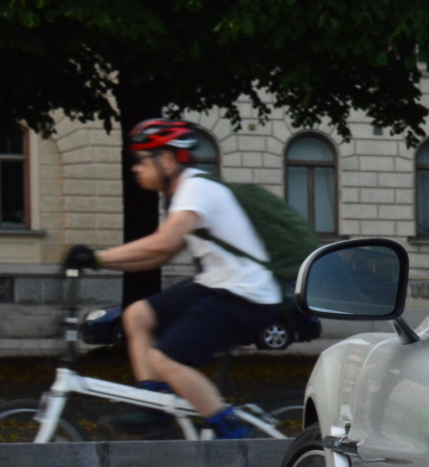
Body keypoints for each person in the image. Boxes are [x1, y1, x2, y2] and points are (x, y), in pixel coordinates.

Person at [64, 120, 279, 438]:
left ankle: (232, 431)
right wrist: (100, 262)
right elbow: (160, 256)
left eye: (142, 160)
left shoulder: (196, 189)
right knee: (137, 315)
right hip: (219, 286)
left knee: (165, 357)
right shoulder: (183, 195)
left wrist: (96, 257)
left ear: (167, 159)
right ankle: (155, 407)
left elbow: (161, 244)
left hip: (246, 296)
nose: (136, 168)